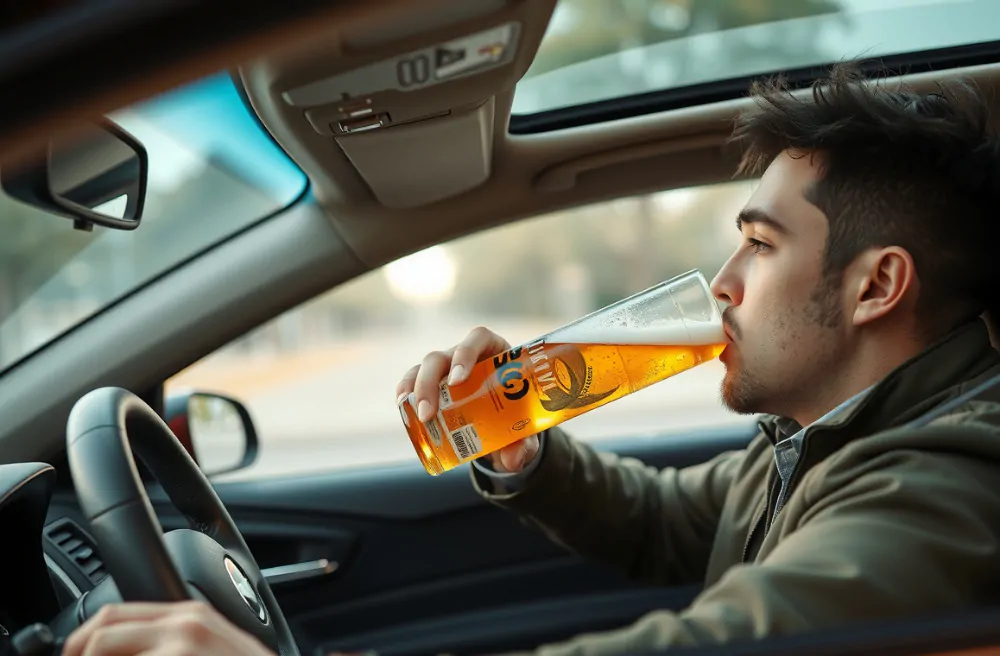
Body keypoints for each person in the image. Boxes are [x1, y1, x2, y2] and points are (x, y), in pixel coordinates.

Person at [62, 62, 1000, 655]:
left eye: (759, 245)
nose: (721, 283)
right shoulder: (814, 435)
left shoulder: (946, 481)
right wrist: (525, 451)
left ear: (877, 286)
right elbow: (670, 521)